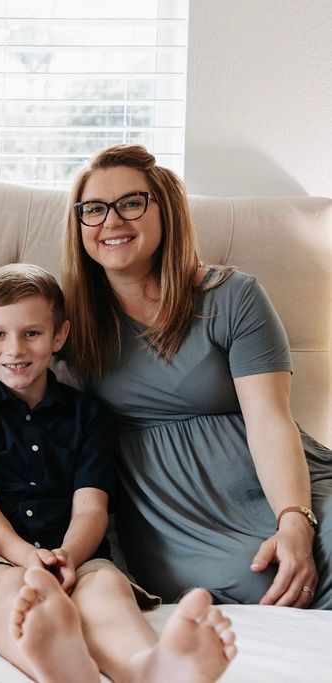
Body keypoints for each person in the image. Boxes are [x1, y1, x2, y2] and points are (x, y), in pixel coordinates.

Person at [0, 263, 237, 683]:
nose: (15, 349)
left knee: (106, 592)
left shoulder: (89, 414)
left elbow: (91, 510)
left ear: (59, 336)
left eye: (32, 333)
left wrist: (67, 558)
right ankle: (59, 668)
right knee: (13, 593)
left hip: (78, 552)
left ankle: (148, 669)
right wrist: (28, 559)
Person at [61, 143, 332, 608]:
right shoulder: (69, 315)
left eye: (131, 203)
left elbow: (270, 421)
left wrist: (294, 519)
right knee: (261, 581)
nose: (111, 221)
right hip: (173, 514)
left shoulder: (234, 297)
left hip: (289, 487)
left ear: (165, 211)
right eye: (94, 209)